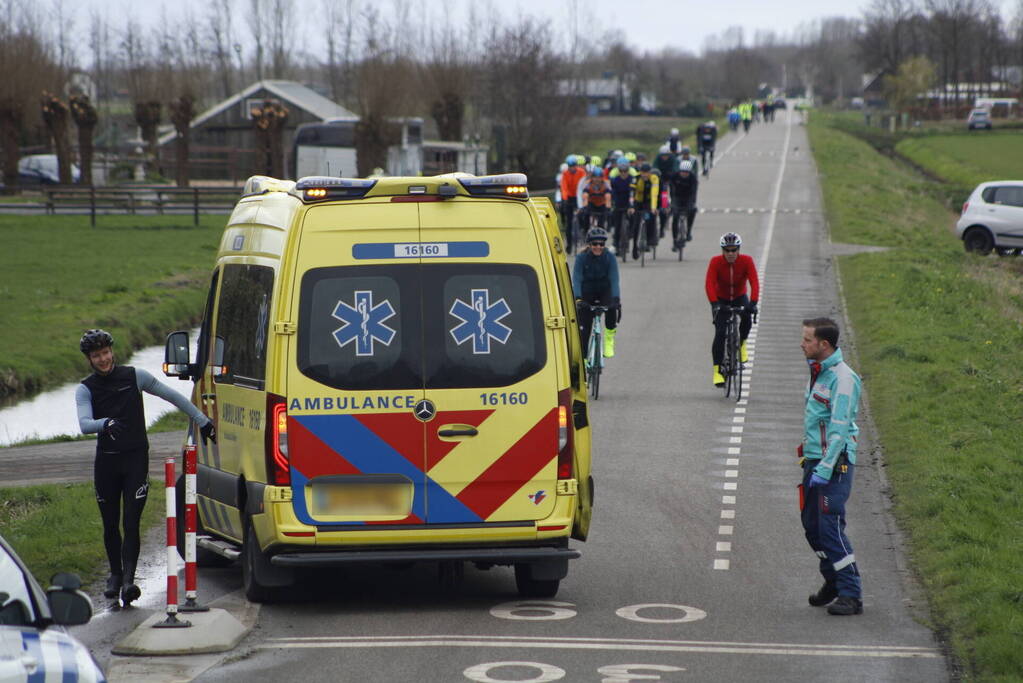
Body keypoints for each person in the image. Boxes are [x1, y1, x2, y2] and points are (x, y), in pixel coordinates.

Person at [76, 329, 215, 607]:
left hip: (135, 460)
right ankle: (114, 575)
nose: (103, 359)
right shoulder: (85, 388)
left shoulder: (134, 376)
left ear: (112, 351)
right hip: (106, 462)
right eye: (96, 356)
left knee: (131, 521)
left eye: (105, 353)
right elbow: (84, 424)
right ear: (89, 359)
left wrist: (202, 420)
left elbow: (172, 397)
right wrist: (106, 423)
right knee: (110, 523)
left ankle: (129, 581)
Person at [798, 317, 863, 616]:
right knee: (812, 527)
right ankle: (833, 579)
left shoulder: (843, 378)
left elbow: (838, 429)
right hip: (815, 461)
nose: (803, 343)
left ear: (824, 344)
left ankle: (851, 593)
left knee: (830, 526)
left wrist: (826, 466)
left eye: (808, 339)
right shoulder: (819, 372)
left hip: (835, 464)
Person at [705, 233, 759, 386]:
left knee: (747, 318)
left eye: (734, 250)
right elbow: (709, 283)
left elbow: (754, 282)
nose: (730, 254)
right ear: (722, 250)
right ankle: (717, 371)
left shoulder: (746, 261)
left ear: (738, 249)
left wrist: (753, 302)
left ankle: (742, 343)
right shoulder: (715, 262)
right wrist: (714, 303)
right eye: (727, 250)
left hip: (739, 296)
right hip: (720, 299)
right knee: (720, 333)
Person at [572, 227, 621, 359]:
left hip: (604, 291)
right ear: (589, 244)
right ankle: (583, 360)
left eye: (601, 244)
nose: (598, 247)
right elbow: (577, 279)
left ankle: (609, 340)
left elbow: (614, 279)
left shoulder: (609, 257)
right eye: (595, 244)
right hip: (587, 293)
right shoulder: (581, 258)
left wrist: (616, 299)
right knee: (584, 329)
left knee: (612, 309)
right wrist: (578, 298)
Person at [630, 162, 659, 260]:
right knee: (635, 225)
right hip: (638, 202)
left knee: (650, 217)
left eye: (646, 173)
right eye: (643, 172)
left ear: (650, 172)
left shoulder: (654, 178)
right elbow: (631, 193)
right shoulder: (636, 178)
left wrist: (653, 207)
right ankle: (634, 247)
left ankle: (650, 238)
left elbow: (654, 193)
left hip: (649, 202)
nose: (644, 175)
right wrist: (631, 206)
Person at [609, 156, 636, 256]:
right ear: (618, 170)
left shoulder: (632, 179)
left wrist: (631, 206)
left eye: (625, 171)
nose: (623, 173)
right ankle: (616, 243)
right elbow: (613, 193)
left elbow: (632, 193)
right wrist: (613, 204)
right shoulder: (615, 180)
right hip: (619, 202)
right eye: (621, 171)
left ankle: (630, 235)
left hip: (629, 202)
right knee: (617, 223)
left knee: (634, 218)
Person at [559, 155, 587, 252]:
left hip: (579, 196)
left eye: (574, 165)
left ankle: (583, 231)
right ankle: (569, 244)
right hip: (570, 198)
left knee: (583, 216)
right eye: (570, 166)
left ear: (576, 165)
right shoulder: (565, 174)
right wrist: (565, 199)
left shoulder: (582, 172)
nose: (572, 168)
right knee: (569, 222)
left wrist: (584, 198)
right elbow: (564, 187)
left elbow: (583, 186)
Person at [671, 159, 699, 249]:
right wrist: (672, 202)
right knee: (675, 216)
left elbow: (694, 192)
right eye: (682, 172)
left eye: (686, 172)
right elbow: (671, 189)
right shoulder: (675, 176)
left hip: (688, 198)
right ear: (679, 171)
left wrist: (692, 203)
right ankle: (675, 239)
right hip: (677, 197)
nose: (684, 174)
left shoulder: (693, 178)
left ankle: (688, 231)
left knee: (692, 211)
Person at [579, 168, 612, 237]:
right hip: (591, 203)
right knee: (585, 215)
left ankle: (601, 236)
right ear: (592, 177)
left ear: (601, 178)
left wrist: (608, 208)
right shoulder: (588, 184)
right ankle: (585, 232)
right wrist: (584, 206)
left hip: (601, 204)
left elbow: (608, 196)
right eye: (595, 177)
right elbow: (585, 195)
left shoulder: (605, 184)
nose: (597, 179)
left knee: (602, 222)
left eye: (599, 177)